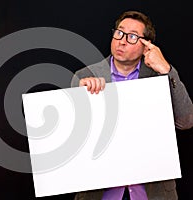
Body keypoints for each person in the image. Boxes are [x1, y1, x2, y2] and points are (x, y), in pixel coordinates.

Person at [70, 10, 193, 200]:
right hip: (101, 193)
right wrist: (79, 97)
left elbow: (185, 121)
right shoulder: (85, 76)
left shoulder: (157, 76)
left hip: (152, 193)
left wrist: (167, 70)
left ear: (146, 46)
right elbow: (72, 139)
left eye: (132, 36)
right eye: (119, 32)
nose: (122, 40)